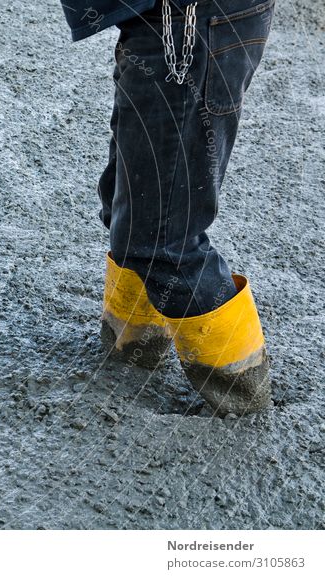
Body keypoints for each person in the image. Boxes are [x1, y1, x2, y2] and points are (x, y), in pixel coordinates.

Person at [59, 0, 276, 415]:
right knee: (129, 202)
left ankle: (241, 394)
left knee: (163, 239)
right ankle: (133, 347)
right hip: (159, 22)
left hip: (190, 24)